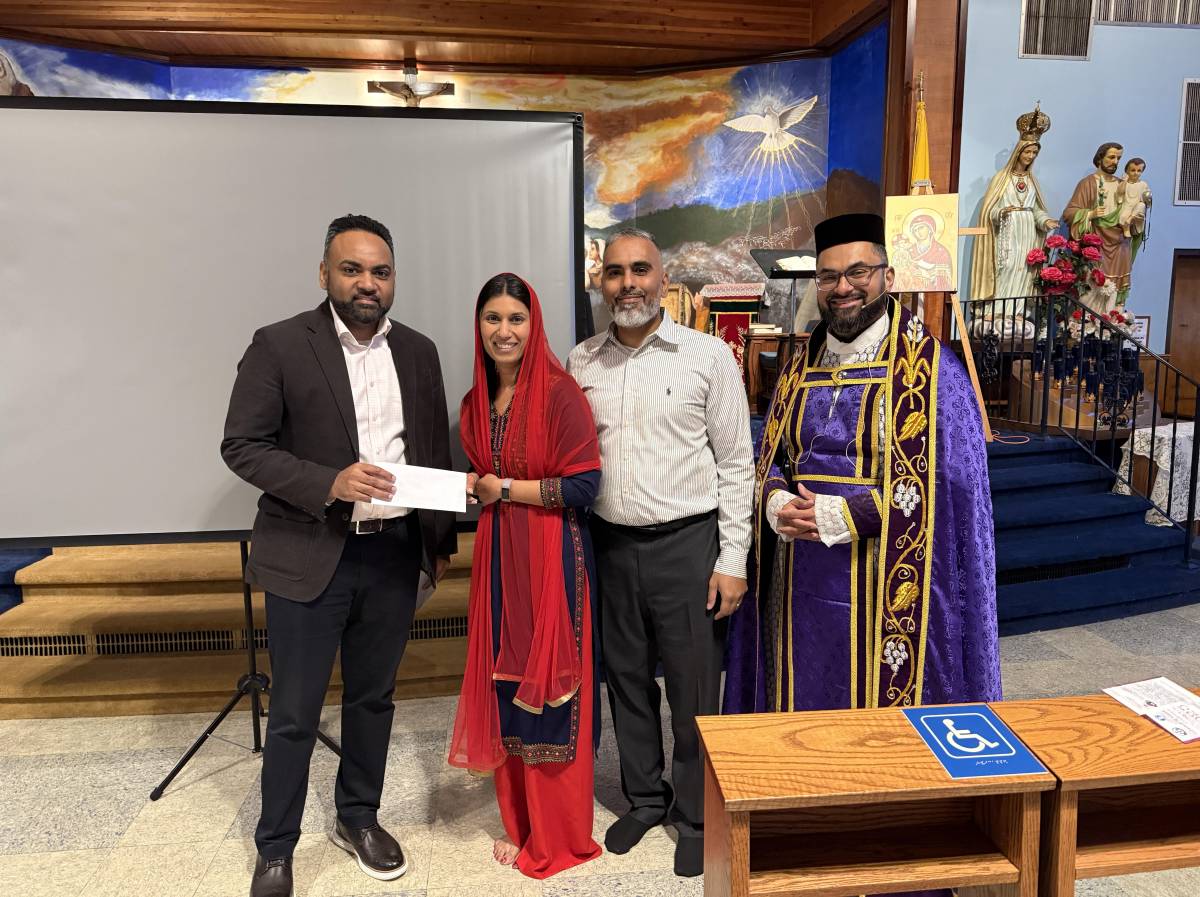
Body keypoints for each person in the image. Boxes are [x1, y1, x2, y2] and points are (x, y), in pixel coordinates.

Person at [724, 217, 1001, 888]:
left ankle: (889, 842)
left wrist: (850, 513)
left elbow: (950, 491)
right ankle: (802, 830)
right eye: (829, 276)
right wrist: (775, 498)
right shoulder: (800, 362)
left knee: (879, 726)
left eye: (857, 273)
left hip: (886, 588)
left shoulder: (934, 373)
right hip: (798, 586)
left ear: (888, 277)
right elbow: (774, 452)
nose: (842, 288)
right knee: (801, 709)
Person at [222, 214, 456, 897]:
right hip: (310, 554)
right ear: (324, 273)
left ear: (394, 279)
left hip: (393, 558)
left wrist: (437, 545)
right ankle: (276, 846)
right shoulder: (278, 344)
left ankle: (358, 817)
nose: (366, 283)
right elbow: (242, 446)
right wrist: (329, 482)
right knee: (295, 712)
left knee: (373, 700)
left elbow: (431, 452)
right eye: (351, 269)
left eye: (379, 271)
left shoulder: (418, 351)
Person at [567, 227, 754, 878]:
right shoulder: (581, 362)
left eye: (640, 269)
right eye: (615, 272)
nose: (628, 284)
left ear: (663, 277)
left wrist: (733, 558)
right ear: (602, 282)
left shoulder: (707, 356)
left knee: (694, 687)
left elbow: (737, 464)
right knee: (625, 681)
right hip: (611, 546)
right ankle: (645, 798)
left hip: (688, 546)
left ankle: (696, 815)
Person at [448, 273, 603, 879]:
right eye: (493, 318)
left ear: (534, 325)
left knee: (551, 692)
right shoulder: (476, 403)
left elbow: (584, 486)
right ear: (479, 326)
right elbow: (485, 479)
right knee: (505, 680)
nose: (504, 331)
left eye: (516, 318)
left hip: (552, 556)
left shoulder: (561, 395)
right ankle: (520, 824)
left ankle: (557, 834)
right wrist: (474, 486)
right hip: (499, 555)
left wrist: (504, 488)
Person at [1064, 142, 1137, 304]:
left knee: (1115, 292)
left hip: (1119, 244)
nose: (1115, 162)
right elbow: (1069, 214)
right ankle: (1087, 318)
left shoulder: (1123, 185)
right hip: (1097, 245)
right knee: (1092, 288)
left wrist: (1136, 217)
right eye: (1111, 157)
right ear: (1099, 158)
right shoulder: (1088, 184)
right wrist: (1091, 214)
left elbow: (1133, 213)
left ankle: (1113, 316)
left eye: (1118, 158)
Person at [1118, 157, 1151, 240]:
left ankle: (1129, 220)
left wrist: (1148, 200)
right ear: (1127, 171)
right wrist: (1124, 181)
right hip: (1127, 207)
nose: (1136, 173)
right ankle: (1126, 227)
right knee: (1122, 217)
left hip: (1137, 210)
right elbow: (1120, 193)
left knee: (1141, 205)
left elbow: (1147, 200)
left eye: (1139, 171)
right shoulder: (1125, 183)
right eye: (1133, 170)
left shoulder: (1143, 184)